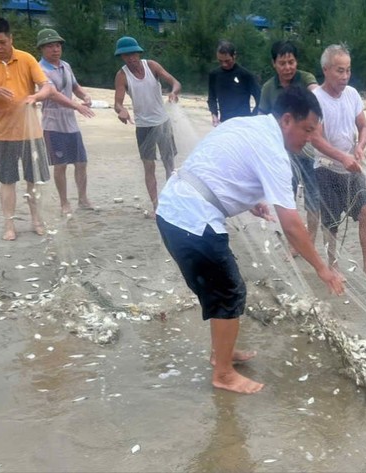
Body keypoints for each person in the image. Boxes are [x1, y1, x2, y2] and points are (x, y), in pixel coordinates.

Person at [155, 86, 344, 394]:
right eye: (307, 130)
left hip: (173, 212)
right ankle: (224, 374)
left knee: (228, 289)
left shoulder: (248, 124)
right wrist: (322, 269)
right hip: (192, 220)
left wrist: (249, 201)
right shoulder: (274, 151)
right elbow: (292, 224)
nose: (309, 139)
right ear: (286, 121)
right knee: (227, 294)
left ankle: (222, 355)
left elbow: (220, 165)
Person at [0, 16, 54, 241]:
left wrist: (35, 96)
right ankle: (9, 225)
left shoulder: (26, 59)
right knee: (7, 180)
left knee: (34, 179)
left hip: (31, 131)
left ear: (10, 39)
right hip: (2, 132)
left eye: (1, 42)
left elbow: (46, 86)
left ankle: (36, 220)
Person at [310, 44, 366, 284]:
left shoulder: (352, 94)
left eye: (348, 70)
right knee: (330, 222)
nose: (345, 76)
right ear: (326, 70)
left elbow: (364, 126)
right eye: (340, 71)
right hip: (326, 169)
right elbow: (315, 138)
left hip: (352, 167)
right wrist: (342, 157)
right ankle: (333, 266)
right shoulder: (315, 99)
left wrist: (360, 146)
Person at [259, 41, 321, 250]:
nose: (287, 68)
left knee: (313, 195)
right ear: (274, 63)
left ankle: (310, 240)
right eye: (282, 63)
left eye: (291, 62)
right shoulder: (269, 88)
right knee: (287, 194)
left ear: (297, 62)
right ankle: (294, 243)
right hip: (283, 152)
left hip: (308, 147)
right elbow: (262, 116)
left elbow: (316, 92)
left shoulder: (306, 79)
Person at [113, 36, 182, 218]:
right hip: (143, 126)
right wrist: (122, 111)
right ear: (122, 57)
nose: (131, 58)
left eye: (133, 54)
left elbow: (175, 82)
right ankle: (156, 206)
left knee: (170, 163)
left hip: (163, 121)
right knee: (149, 166)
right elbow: (118, 103)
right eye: (126, 56)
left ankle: (172, 201)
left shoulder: (152, 66)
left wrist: (174, 92)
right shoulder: (122, 76)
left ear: (138, 53)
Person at [36, 28, 95, 216]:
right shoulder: (39, 69)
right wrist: (77, 106)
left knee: (81, 161)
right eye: (50, 46)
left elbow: (75, 86)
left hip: (71, 123)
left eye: (58, 45)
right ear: (42, 49)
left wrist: (85, 95)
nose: (55, 49)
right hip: (53, 123)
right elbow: (52, 94)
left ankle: (83, 199)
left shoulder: (66, 66)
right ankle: (64, 203)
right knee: (60, 165)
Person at [207, 40, 260, 126]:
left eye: (227, 61)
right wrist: (214, 115)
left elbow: (260, 98)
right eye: (220, 61)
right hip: (224, 122)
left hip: (244, 123)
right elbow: (212, 97)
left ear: (234, 56)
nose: (224, 64)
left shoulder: (246, 75)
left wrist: (252, 117)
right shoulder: (214, 75)